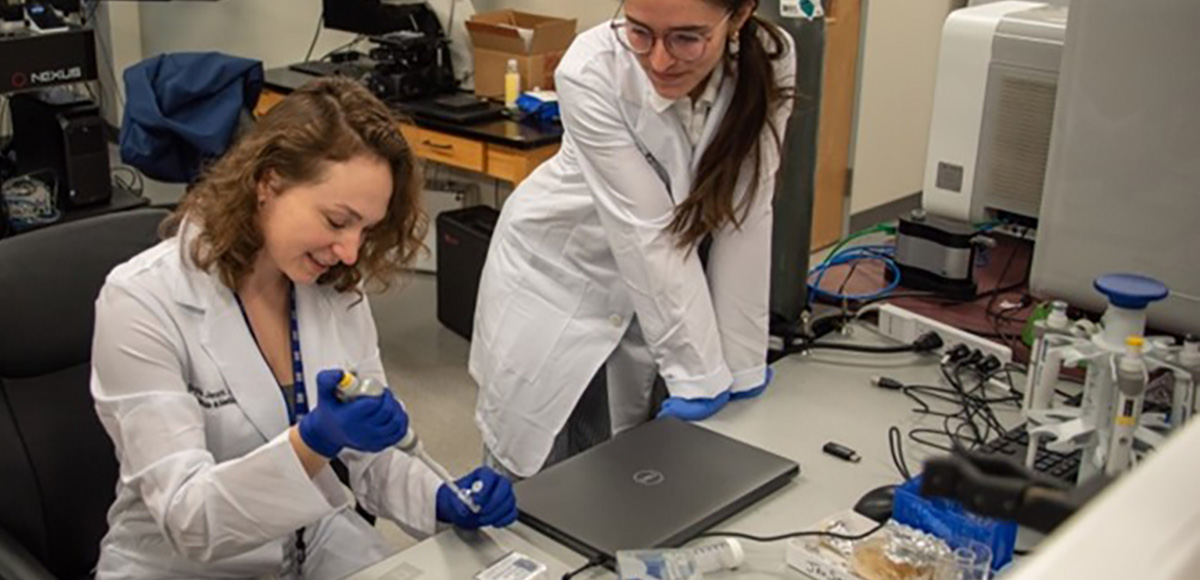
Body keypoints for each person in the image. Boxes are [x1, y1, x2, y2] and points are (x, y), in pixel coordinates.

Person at [90, 77, 517, 579]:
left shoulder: (333, 290)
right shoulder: (142, 301)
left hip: (314, 544)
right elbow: (190, 519)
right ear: (267, 184)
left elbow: (372, 456)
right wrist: (311, 442)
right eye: (338, 221)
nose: (351, 252)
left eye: (366, 229)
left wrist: (441, 497)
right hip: (180, 567)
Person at [470, 0, 796, 479]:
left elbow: (746, 208)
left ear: (741, 15)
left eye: (687, 37)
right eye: (640, 31)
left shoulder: (771, 56)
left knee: (630, 485)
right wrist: (699, 375)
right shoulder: (591, 68)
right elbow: (647, 228)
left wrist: (742, 360)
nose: (660, 61)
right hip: (559, 278)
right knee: (535, 481)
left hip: (657, 288)